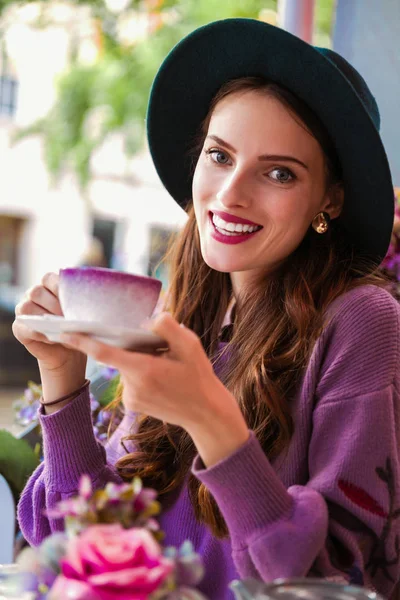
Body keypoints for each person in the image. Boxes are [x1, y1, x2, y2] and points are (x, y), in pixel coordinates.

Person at [13, 18, 400, 600]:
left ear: (330, 198)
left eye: (278, 173)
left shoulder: (362, 322)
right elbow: (85, 549)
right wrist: (62, 381)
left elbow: (331, 584)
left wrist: (210, 420)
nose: (230, 194)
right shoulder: (186, 313)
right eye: (220, 155)